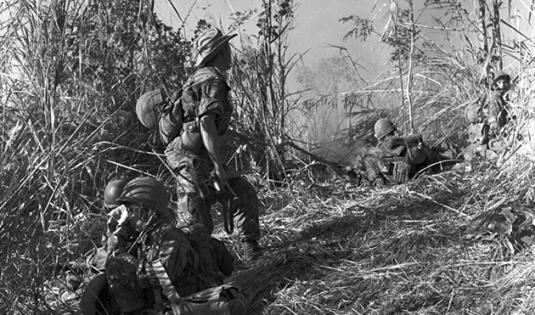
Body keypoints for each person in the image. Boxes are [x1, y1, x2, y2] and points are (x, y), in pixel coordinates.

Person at [158, 26, 261, 261]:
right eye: (227, 48)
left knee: (241, 191)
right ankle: (197, 273)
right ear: (221, 51)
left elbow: (205, 122)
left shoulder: (202, 78)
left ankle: (250, 250)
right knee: (195, 222)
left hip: (197, 158)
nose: (231, 52)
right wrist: (218, 166)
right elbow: (205, 123)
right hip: (187, 159)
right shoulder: (212, 79)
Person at [82, 177, 240, 314]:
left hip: (186, 303)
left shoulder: (170, 236)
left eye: (132, 210)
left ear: (148, 212)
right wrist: (120, 238)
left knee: (117, 266)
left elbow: (159, 277)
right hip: (166, 301)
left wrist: (121, 254)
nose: (128, 216)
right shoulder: (149, 234)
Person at [372, 118, 446, 184]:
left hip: (395, 185)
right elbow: (418, 157)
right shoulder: (393, 143)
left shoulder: (378, 152)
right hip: (417, 179)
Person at [463, 71, 511, 160]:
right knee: (502, 147)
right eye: (499, 82)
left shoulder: (492, 94)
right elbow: (495, 117)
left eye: (504, 82)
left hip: (484, 133)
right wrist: (501, 131)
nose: (502, 85)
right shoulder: (496, 95)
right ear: (495, 84)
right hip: (492, 132)